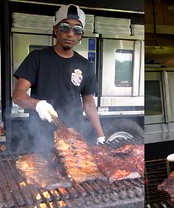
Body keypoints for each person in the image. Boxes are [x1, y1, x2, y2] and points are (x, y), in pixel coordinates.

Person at [12, 4, 105, 150]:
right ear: (55, 29)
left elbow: (88, 103)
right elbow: (18, 95)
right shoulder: (37, 58)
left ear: (81, 35)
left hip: (73, 137)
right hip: (40, 138)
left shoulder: (85, 65)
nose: (70, 34)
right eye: (64, 27)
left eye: (77, 30)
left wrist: (100, 136)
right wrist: (38, 104)